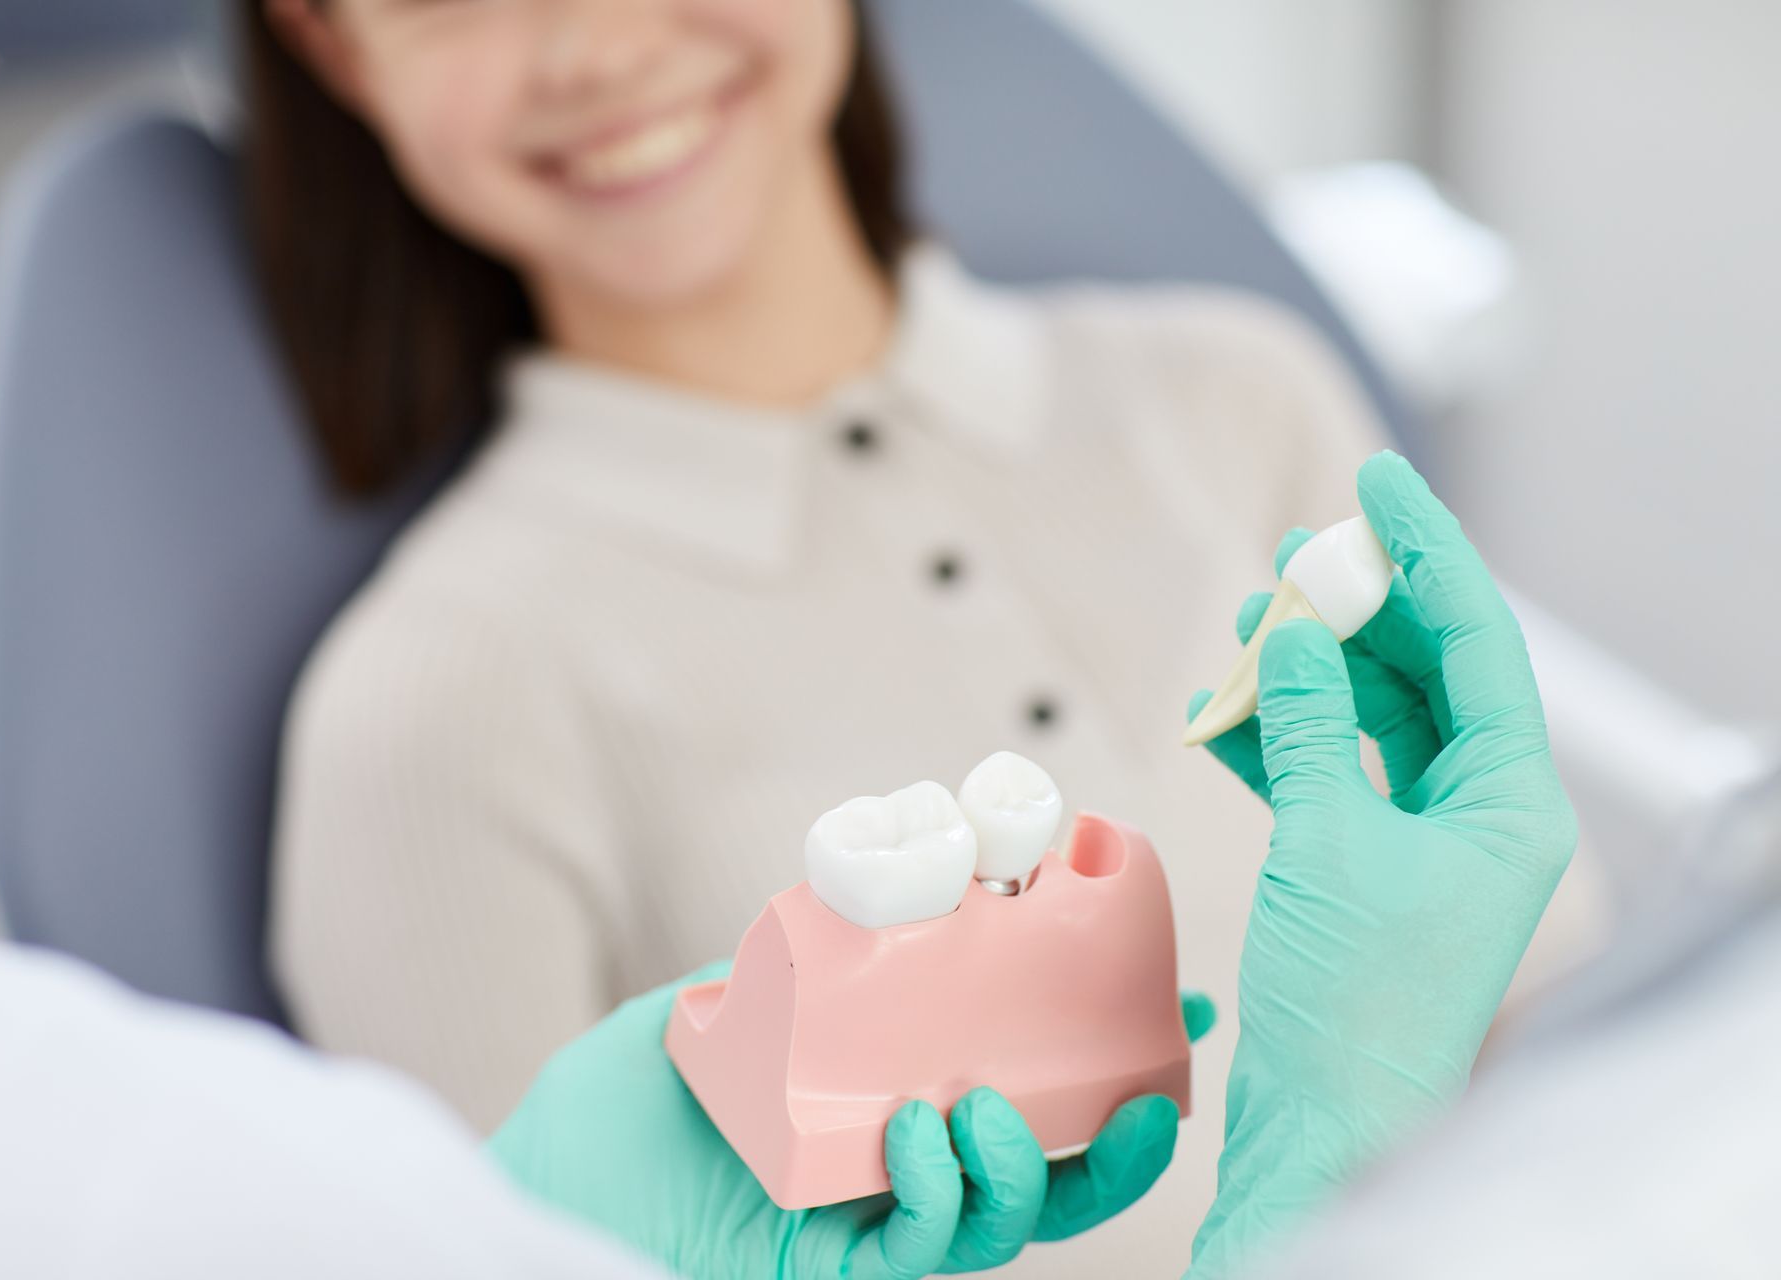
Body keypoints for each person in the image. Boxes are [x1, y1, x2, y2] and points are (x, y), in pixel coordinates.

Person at [247, 3, 1551, 1266]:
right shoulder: (430, 699)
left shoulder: (1245, 402)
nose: (598, 47)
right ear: (331, 43)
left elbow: (1576, 1027)